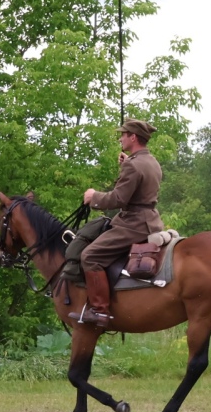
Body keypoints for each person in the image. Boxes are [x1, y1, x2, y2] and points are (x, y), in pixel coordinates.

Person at [70, 119, 165, 328]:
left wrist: (93, 196)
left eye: (123, 134)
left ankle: (99, 311)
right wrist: (126, 165)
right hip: (151, 220)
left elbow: (118, 199)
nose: (120, 138)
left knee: (89, 256)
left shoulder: (133, 165)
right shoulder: (151, 162)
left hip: (133, 224)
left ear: (133, 137)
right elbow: (139, 185)